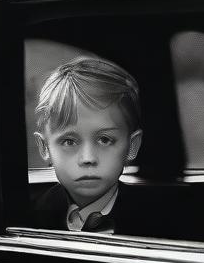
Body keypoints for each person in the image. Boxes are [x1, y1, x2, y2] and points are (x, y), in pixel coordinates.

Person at [32, 56, 144, 234]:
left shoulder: (161, 221)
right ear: (45, 147)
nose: (88, 158)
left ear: (132, 146)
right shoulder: (27, 218)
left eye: (105, 140)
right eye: (69, 141)